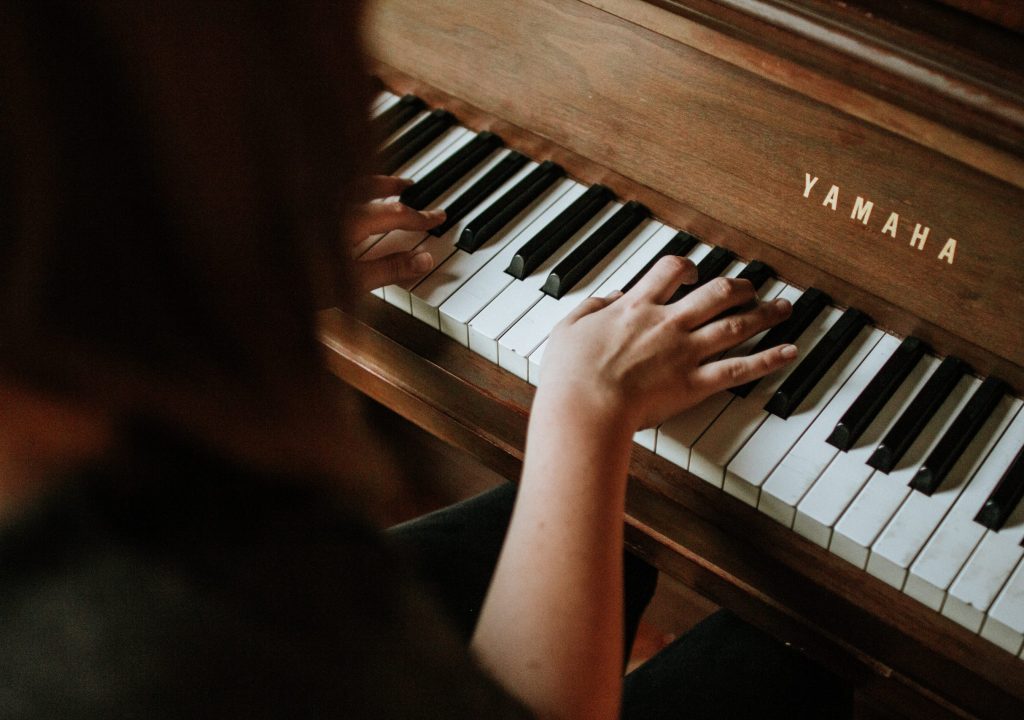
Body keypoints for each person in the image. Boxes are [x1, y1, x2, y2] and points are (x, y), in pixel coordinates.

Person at [0, 2, 850, 718]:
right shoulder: (129, 647)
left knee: (635, 536)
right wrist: (584, 412)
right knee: (802, 650)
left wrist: (230, 285)